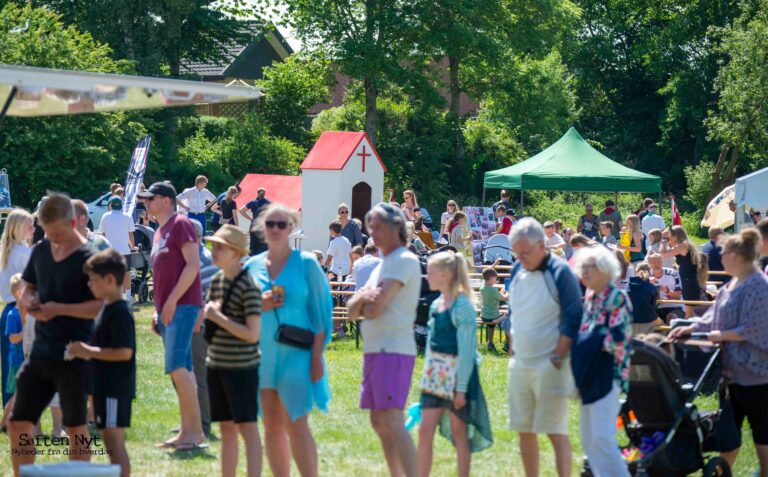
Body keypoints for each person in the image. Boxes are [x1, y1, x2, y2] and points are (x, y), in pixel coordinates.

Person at [8, 193, 101, 476]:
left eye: (57, 232)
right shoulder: (40, 251)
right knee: (18, 422)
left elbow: (100, 305)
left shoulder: (90, 258)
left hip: (75, 353)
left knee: (76, 427)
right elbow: (28, 286)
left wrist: (59, 308)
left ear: (74, 222)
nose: (52, 238)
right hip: (40, 351)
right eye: (46, 231)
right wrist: (28, 301)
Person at [670, 228, 768, 476]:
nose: (720, 258)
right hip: (730, 374)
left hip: (757, 376)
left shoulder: (760, 286)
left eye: (724, 254)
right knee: (728, 434)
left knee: (763, 436)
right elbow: (713, 319)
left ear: (737, 256)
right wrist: (689, 327)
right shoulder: (730, 287)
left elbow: (757, 328)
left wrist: (722, 335)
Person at [246, 203, 332, 477]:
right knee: (270, 424)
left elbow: (321, 315)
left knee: (296, 421)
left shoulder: (306, 264)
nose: (274, 229)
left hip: (298, 353)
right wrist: (257, 304)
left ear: (291, 228)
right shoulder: (251, 266)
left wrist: (317, 357)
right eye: (269, 224)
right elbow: (237, 308)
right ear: (261, 228)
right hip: (261, 354)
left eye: (280, 224)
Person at [348, 202, 422, 477]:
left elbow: (374, 307)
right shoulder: (382, 265)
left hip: (393, 350)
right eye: (371, 228)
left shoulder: (403, 260)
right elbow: (353, 310)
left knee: (391, 418)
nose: (373, 233)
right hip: (376, 350)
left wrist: (363, 302)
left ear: (396, 228)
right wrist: (362, 300)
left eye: (378, 227)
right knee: (378, 420)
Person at [506, 218, 582, 477]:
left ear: (542, 245)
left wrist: (558, 356)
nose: (520, 258)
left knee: (555, 431)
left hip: (551, 364)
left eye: (525, 252)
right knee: (524, 430)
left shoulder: (560, 272)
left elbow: (573, 316)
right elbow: (515, 310)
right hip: (521, 364)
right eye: (516, 252)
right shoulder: (518, 269)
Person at [139, 181, 206, 451]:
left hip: (182, 306)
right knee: (182, 371)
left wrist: (172, 302)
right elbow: (162, 275)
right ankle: (187, 431)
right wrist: (158, 309)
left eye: (150, 198)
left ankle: (194, 433)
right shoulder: (158, 232)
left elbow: (193, 266)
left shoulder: (181, 224)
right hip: (168, 309)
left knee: (178, 368)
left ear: (167, 200)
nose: (146, 202)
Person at [418, 251, 493, 477]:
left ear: (444, 275)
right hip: (435, 378)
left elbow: (467, 351)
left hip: (458, 381)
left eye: (430, 271)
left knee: (460, 433)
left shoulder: (463, 307)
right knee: (424, 431)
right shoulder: (437, 304)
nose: (426, 276)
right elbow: (431, 346)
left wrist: (460, 389)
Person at [66, 249, 136, 477]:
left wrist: (87, 351)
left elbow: (124, 352)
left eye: (93, 280)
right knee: (108, 440)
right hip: (103, 387)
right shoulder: (105, 308)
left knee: (114, 443)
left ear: (109, 279)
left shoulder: (120, 312)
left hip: (115, 387)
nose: (89, 285)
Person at [203, 225, 263, 477]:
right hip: (216, 364)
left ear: (237, 253)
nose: (213, 251)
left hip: (242, 368)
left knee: (247, 429)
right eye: (213, 245)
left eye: (220, 247)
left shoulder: (249, 286)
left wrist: (217, 316)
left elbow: (252, 334)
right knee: (226, 428)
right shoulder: (216, 281)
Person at [572, 246, 632, 477]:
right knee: (590, 442)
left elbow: (618, 339)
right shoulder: (591, 299)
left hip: (609, 376)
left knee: (602, 440)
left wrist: (583, 343)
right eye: (582, 267)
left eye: (590, 267)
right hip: (589, 375)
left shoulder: (617, 297)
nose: (584, 272)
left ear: (606, 270)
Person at [0, 209, 33, 407]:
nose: (34, 229)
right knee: (22, 367)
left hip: (7, 311)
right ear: (19, 228)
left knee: (9, 368)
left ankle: (9, 411)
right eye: (30, 225)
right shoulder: (23, 252)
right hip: (21, 311)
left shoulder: (6, 250)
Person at [660, 225, 701, 318]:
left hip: (688, 281)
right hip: (688, 280)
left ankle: (692, 330)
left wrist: (664, 240)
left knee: (689, 313)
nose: (669, 237)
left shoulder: (682, 246)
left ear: (675, 235)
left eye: (670, 235)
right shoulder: (684, 245)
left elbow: (662, 254)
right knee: (688, 311)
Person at [98, 196, 136, 296]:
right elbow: (130, 235)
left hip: (110, 251)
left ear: (110, 205)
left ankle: (113, 296)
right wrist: (133, 247)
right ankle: (128, 296)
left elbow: (103, 235)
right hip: (124, 250)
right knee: (126, 273)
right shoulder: (128, 216)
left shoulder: (105, 216)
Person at [1, 274, 25, 430]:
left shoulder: (27, 312)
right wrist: (27, 330)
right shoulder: (12, 314)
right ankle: (4, 423)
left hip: (26, 358)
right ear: (17, 292)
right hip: (17, 360)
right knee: (17, 394)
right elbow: (13, 339)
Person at [647, 252, 684, 321]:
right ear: (649, 264)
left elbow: (678, 296)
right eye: (654, 262)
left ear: (662, 262)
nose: (657, 265)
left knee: (671, 318)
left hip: (675, 307)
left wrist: (666, 290)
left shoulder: (673, 273)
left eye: (659, 262)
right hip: (657, 308)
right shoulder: (646, 276)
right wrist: (647, 283)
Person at [479, 267, 507, 352]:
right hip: (493, 316)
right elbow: (504, 299)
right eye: (495, 278)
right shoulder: (493, 290)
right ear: (491, 278)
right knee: (507, 318)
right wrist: (508, 292)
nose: (496, 279)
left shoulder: (482, 288)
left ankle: (490, 342)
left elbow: (495, 296)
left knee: (491, 326)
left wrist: (501, 292)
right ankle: (507, 343)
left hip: (484, 315)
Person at [628, 263, 660, 335]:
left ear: (636, 272)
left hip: (630, 321)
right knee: (664, 325)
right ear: (649, 272)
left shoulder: (627, 286)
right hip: (648, 320)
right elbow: (655, 306)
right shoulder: (652, 288)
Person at [240, 188, 271, 256]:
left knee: (253, 245)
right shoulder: (269, 202)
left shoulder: (252, 202)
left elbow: (241, 210)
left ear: (257, 193)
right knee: (264, 246)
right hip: (263, 226)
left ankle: (251, 261)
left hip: (253, 225)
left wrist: (250, 218)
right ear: (264, 193)